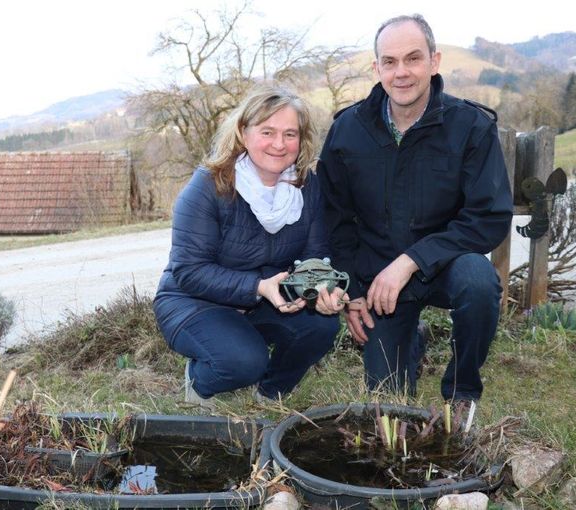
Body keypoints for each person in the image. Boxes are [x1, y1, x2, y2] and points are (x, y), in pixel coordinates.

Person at [317, 14, 513, 403]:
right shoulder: (347, 130)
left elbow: (488, 218)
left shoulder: (471, 126)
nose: (401, 72)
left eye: (413, 59)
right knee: (388, 404)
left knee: (479, 280)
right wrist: (354, 291)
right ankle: (412, 338)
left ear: (434, 62)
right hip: (379, 282)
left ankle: (462, 393)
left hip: (446, 267)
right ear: (377, 69)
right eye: (389, 62)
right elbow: (335, 218)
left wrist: (411, 260)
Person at [153, 85, 344, 408]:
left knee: (321, 325)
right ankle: (200, 382)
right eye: (267, 131)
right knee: (243, 361)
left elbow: (313, 256)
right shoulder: (208, 185)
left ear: (302, 139)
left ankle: (270, 394)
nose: (279, 144)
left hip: (268, 295)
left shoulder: (307, 187)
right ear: (243, 132)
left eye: (290, 134)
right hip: (194, 301)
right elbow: (188, 270)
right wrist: (257, 287)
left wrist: (324, 289)